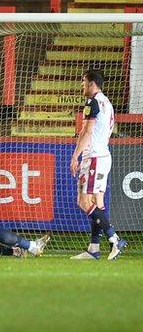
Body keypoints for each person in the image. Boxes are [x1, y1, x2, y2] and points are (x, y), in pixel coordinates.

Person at [70, 70, 127, 260]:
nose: (82, 86)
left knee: (83, 201)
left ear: (92, 83)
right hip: (103, 155)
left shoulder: (92, 102)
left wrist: (75, 156)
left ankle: (115, 239)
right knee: (97, 203)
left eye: (84, 82)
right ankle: (94, 249)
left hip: (93, 157)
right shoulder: (107, 103)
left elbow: (87, 132)